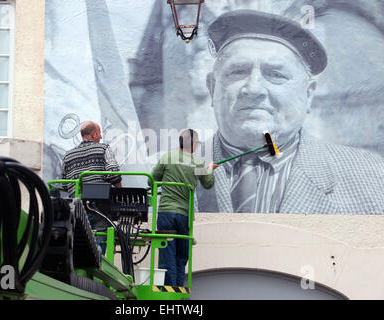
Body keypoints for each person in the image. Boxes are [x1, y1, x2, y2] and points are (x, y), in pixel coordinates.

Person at [196, 10, 384, 214]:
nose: (254, 89)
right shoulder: (162, 176)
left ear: (309, 94)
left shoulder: (372, 179)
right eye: (238, 71)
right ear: (212, 87)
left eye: (276, 74)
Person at [151, 129, 219, 286]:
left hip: (166, 212)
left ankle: (167, 291)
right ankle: (178, 291)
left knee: (167, 253)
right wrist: (210, 169)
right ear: (193, 144)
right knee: (181, 257)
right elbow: (208, 183)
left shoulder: (167, 157)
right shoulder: (197, 164)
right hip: (184, 215)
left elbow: (152, 180)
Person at [62, 121, 122, 252]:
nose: (100, 137)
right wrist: (120, 194)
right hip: (100, 207)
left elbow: (65, 184)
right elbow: (114, 175)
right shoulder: (103, 148)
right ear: (94, 134)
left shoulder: (68, 155)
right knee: (99, 248)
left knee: (79, 245)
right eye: (99, 134)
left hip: (77, 207)